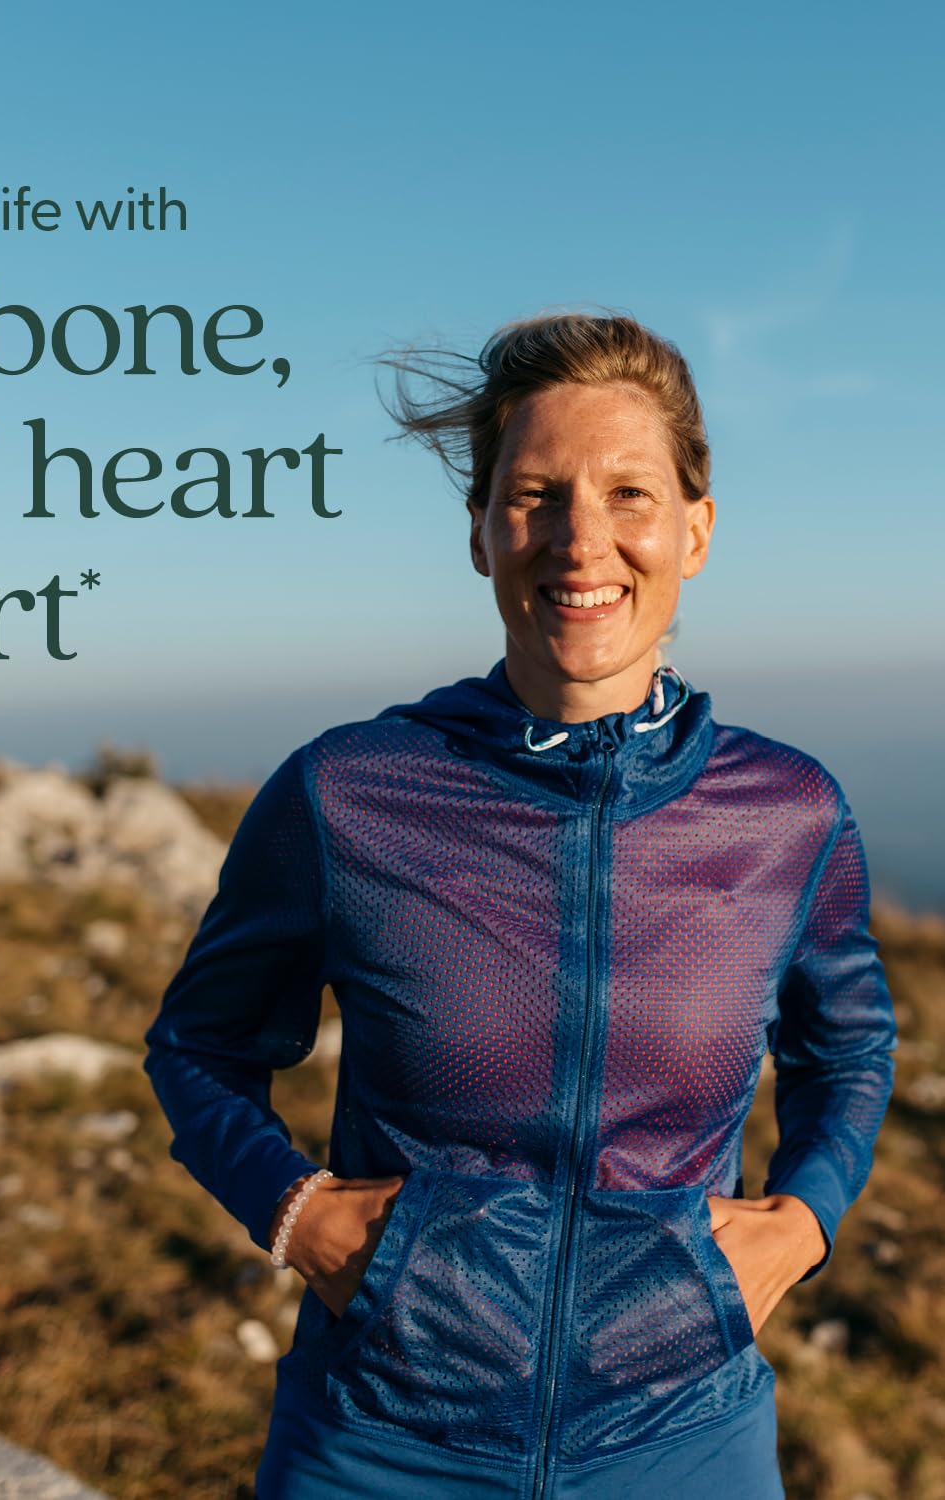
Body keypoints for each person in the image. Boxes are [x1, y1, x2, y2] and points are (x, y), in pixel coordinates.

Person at [140, 310, 897, 1499]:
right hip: (382, 1439)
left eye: (629, 495)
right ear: (483, 535)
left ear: (695, 530)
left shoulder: (789, 812)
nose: (581, 541)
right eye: (536, 495)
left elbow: (847, 1044)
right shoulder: (351, 791)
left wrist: (805, 1219)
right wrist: (294, 1215)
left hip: (683, 1436)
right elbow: (198, 1045)